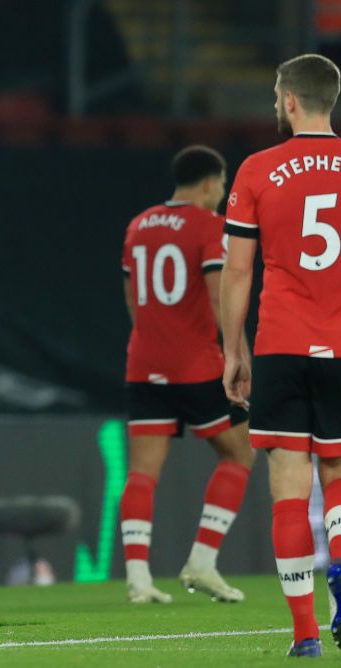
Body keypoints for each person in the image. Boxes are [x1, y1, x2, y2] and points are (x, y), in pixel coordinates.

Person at [220, 54, 341, 657]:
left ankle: (306, 633)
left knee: (287, 485)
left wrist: (234, 348)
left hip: (281, 344)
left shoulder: (257, 169)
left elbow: (237, 271)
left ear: (288, 100)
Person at [119, 145, 255, 605]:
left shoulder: (138, 225)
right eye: (222, 183)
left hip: (144, 363)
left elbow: (131, 297)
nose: (222, 192)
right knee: (239, 454)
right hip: (196, 365)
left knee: (141, 473)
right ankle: (202, 561)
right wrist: (238, 357)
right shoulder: (209, 226)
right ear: (208, 183)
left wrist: (152, 337)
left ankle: (138, 579)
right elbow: (221, 298)